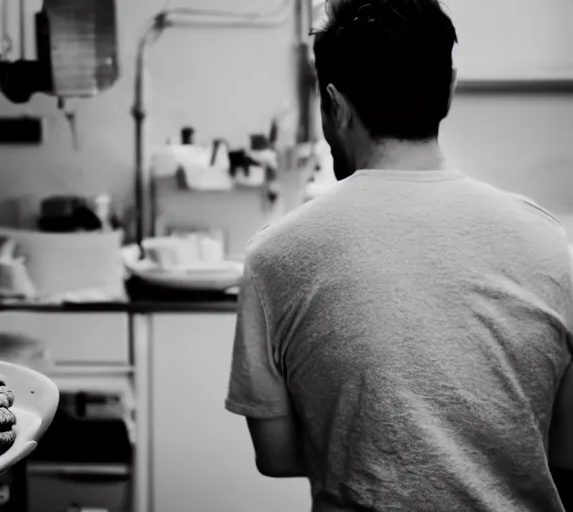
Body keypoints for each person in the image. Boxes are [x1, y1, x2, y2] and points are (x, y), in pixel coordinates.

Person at [224, 0, 573, 510]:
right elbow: (563, 452)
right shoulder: (548, 241)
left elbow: (276, 456)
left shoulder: (274, 256)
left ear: (335, 105)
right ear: (449, 90)